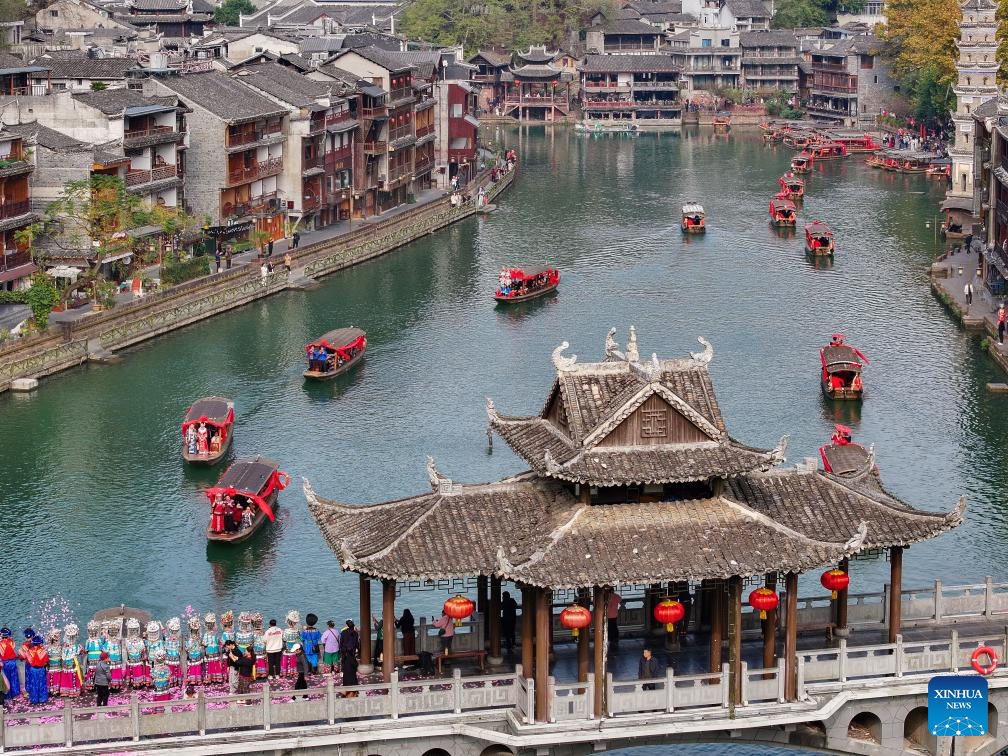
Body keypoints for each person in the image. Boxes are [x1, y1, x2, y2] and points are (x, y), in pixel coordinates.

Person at [24, 635, 49, 705]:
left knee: (33, 684)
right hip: (41, 669)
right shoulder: (43, 651)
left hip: (32, 669)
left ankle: (34, 699)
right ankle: (42, 698)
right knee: (41, 683)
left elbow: (28, 661)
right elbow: (46, 661)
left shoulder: (29, 651)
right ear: (40, 643)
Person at [0, 628, 20, 701]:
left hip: (4, 663)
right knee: (13, 678)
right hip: (12, 662)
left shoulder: (0, 644)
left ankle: (6, 695)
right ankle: (14, 695)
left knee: (6, 679)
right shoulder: (12, 642)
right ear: (8, 635)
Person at [185, 616, 204, 685]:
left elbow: (200, 645)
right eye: (193, 630)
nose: (194, 631)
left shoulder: (198, 637)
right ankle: (193, 679)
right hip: (192, 654)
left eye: (195, 630)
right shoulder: (189, 638)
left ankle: (198, 679)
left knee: (197, 667)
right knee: (193, 667)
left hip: (197, 653)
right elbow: (187, 648)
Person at [282, 611, 300, 677]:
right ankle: (293, 672)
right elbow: (298, 640)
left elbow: (284, 639)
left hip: (287, 648)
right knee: (293, 661)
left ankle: (285, 673)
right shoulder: (297, 631)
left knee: (285, 661)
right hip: (294, 649)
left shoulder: (286, 631)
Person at [251, 614, 267, 679]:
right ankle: (263, 673)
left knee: (257, 660)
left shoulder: (252, 633)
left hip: (256, 649)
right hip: (262, 649)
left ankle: (257, 673)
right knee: (262, 660)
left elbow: (251, 642)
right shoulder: (263, 632)